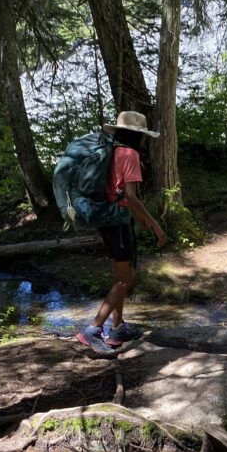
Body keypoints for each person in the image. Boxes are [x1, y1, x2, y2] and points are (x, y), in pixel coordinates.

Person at [75, 111, 167, 356]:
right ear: (138, 135)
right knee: (125, 280)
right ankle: (93, 330)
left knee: (121, 275)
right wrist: (155, 225)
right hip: (117, 220)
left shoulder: (110, 151)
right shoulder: (130, 154)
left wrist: (138, 218)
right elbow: (130, 196)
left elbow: (116, 193)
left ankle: (117, 329)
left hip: (106, 218)